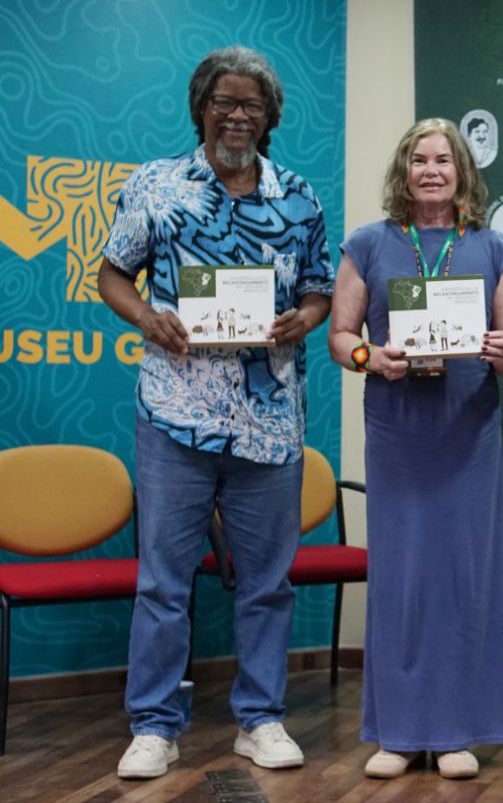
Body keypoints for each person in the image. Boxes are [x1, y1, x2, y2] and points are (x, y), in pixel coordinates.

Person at [98, 45, 334, 779]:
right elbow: (112, 274)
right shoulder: (156, 185)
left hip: (270, 421)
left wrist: (305, 319)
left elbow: (319, 288)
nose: (237, 116)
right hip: (175, 413)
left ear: (270, 118)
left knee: (267, 582)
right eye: (224, 102)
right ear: (201, 107)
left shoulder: (299, 196)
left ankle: (260, 719)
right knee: (163, 582)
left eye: (251, 106)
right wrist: (147, 316)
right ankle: (154, 726)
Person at [327, 118, 503, 781]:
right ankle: (401, 733)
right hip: (398, 430)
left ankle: (458, 731)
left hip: (467, 430)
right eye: (418, 159)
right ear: (403, 172)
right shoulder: (367, 244)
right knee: (403, 577)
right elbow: (340, 337)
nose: (431, 170)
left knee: (465, 575)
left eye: (443, 159)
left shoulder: (495, 249)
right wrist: (369, 358)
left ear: (462, 171)